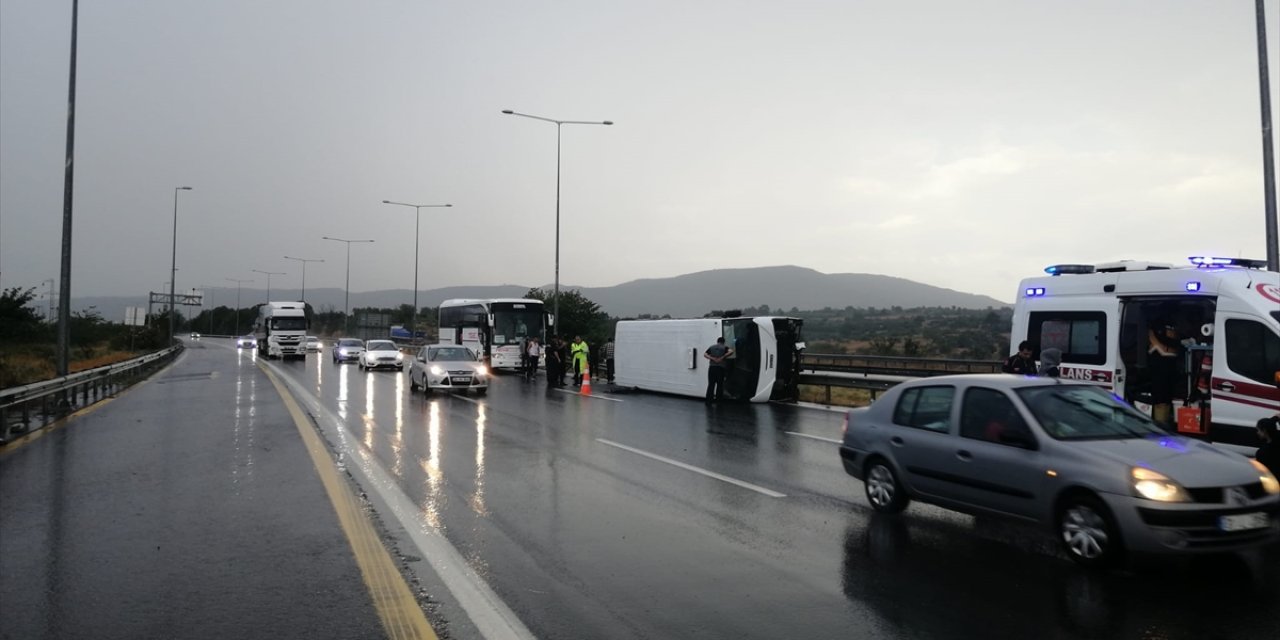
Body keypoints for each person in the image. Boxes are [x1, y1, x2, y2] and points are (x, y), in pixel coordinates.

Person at [1147, 321, 1182, 428]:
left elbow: (1170, 347)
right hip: (1159, 371)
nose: (1171, 333)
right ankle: (1161, 424)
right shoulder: (1156, 330)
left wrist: (1155, 340)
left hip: (1167, 370)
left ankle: (1163, 423)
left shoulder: (1166, 346)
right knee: (1161, 398)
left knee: (1165, 396)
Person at [704, 337, 734, 402]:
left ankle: (709, 400)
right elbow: (731, 351)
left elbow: (705, 354)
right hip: (721, 368)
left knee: (711, 384)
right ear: (723, 342)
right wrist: (723, 357)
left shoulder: (712, 347)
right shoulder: (724, 347)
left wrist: (712, 358)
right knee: (720, 384)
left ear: (717, 341)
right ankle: (719, 400)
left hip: (712, 368)